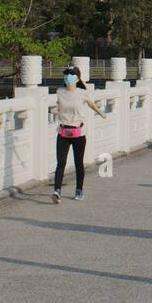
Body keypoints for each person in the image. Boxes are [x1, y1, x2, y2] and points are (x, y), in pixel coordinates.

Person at [52, 65, 106, 203]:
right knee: (60, 163)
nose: (68, 77)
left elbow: (91, 104)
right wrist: (53, 111)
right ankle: (57, 191)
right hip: (63, 132)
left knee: (78, 163)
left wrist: (100, 112)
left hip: (78, 134)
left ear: (77, 78)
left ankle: (79, 189)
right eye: (66, 74)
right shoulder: (59, 91)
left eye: (71, 74)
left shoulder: (82, 92)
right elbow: (57, 106)